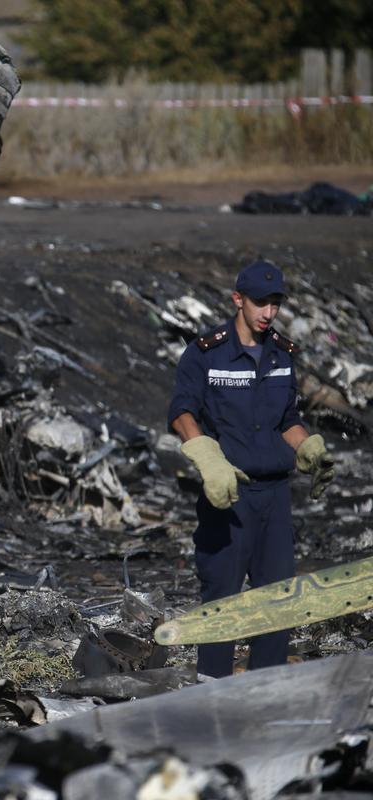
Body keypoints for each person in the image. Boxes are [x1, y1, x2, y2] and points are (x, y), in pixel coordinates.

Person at [168, 259, 335, 678]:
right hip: (229, 495)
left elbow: (287, 420)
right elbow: (181, 412)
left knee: (277, 602)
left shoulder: (282, 354)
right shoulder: (207, 353)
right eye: (261, 303)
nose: (269, 313)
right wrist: (207, 456)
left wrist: (308, 447)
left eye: (275, 303)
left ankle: (266, 693)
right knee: (222, 601)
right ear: (238, 299)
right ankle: (212, 694)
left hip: (275, 499)